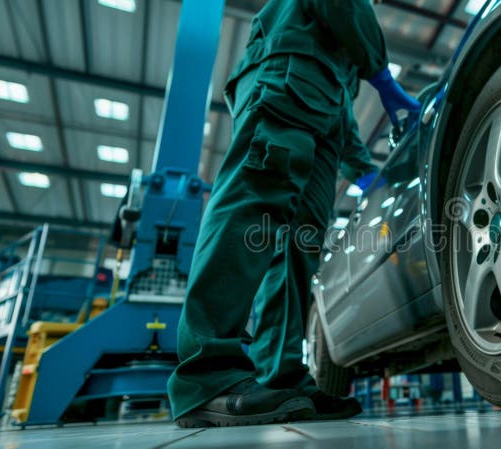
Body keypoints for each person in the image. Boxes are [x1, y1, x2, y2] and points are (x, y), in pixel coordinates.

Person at [167, 0, 421, 428]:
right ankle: (205, 375)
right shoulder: (349, 19)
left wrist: (366, 176)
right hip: (285, 74)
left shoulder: (341, 42)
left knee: (297, 250)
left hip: (321, 107)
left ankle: (283, 377)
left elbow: (342, 109)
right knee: (252, 210)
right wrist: (381, 75)